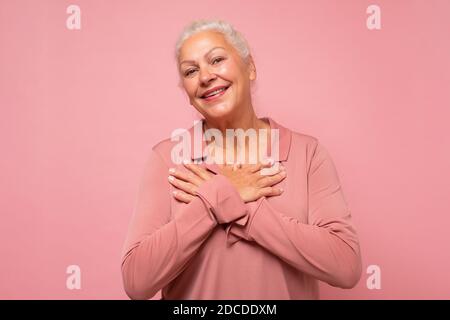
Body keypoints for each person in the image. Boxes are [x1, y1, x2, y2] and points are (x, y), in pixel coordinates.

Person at [120, 19, 362, 300]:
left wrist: (230, 201)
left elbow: (346, 266)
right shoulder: (168, 159)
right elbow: (137, 282)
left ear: (250, 68)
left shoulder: (307, 154)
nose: (205, 76)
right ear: (187, 93)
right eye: (191, 71)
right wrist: (214, 201)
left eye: (217, 60)